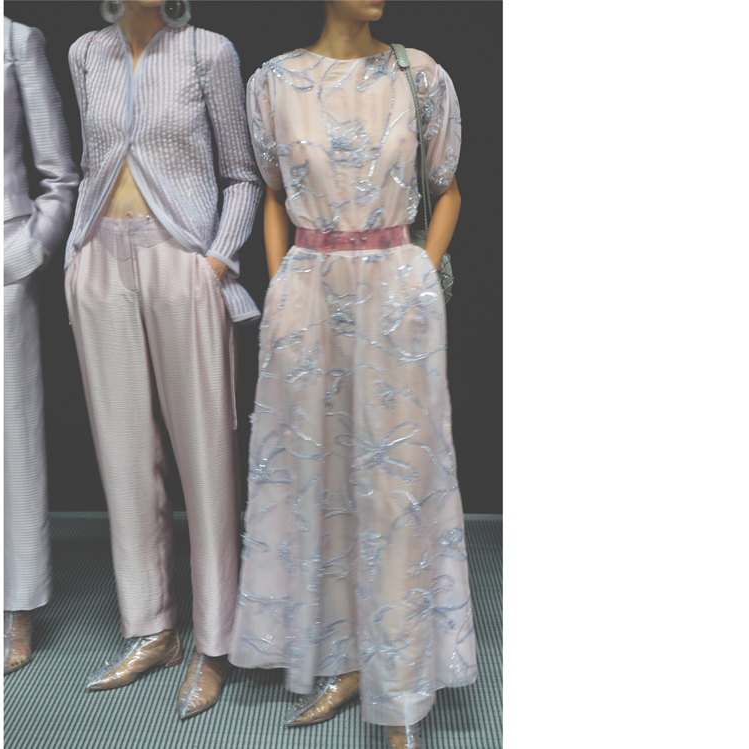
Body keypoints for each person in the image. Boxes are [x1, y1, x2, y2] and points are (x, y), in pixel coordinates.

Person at [228, 2, 476, 746]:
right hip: (308, 295)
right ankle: (340, 656)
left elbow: (448, 187)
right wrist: (281, 285)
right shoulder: (273, 82)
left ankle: (397, 675)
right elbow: (274, 196)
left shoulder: (419, 75)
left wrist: (421, 276)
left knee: (396, 483)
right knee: (319, 477)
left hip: (397, 295)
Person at [63, 0, 263, 718]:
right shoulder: (86, 53)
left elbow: (243, 174)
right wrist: (76, 254)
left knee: (206, 457)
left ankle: (215, 641)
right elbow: (89, 165)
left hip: (182, 262)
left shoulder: (209, 50)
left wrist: (215, 260)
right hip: (99, 260)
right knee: (122, 456)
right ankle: (152, 629)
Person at [3, 16, 80, 675]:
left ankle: (19, 603)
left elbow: (60, 173)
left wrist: (29, 251)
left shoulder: (12, 39)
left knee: (13, 437)